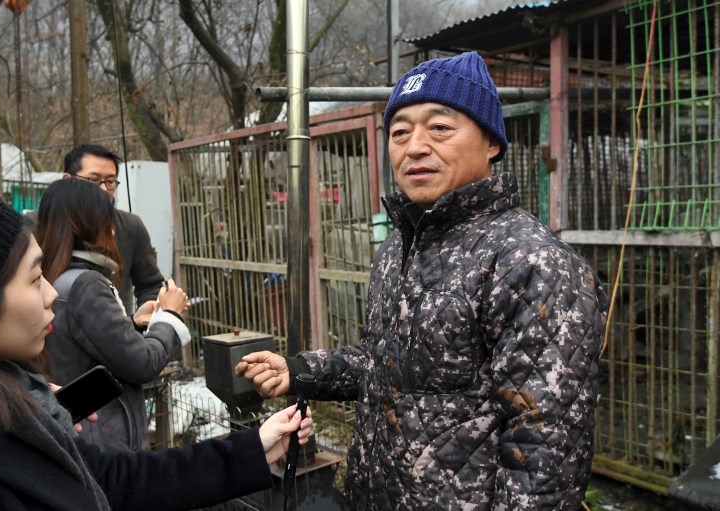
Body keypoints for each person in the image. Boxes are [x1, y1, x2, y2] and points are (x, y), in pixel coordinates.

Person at [236, 51, 609, 509]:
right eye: (399, 132)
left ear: (491, 142)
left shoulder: (533, 264)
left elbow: (545, 453)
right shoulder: (400, 244)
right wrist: (298, 370)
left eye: (439, 128)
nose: (414, 147)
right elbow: (383, 365)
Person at [0, 188, 312, 510]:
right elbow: (140, 363)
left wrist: (251, 449)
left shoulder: (12, 398)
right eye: (33, 279)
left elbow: (108, 480)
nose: (49, 293)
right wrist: (168, 316)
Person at [35, 178, 184, 452]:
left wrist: (131, 323)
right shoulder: (86, 284)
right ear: (89, 223)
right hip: (105, 440)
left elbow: (80, 348)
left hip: (79, 433)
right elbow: (142, 363)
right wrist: (170, 317)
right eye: (107, 220)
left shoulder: (51, 278)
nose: (113, 231)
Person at [26, 144, 164, 313]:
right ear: (67, 179)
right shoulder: (31, 225)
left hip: (114, 332)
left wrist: (143, 322)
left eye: (110, 181)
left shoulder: (130, 226)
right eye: (94, 180)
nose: (104, 189)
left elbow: (151, 285)